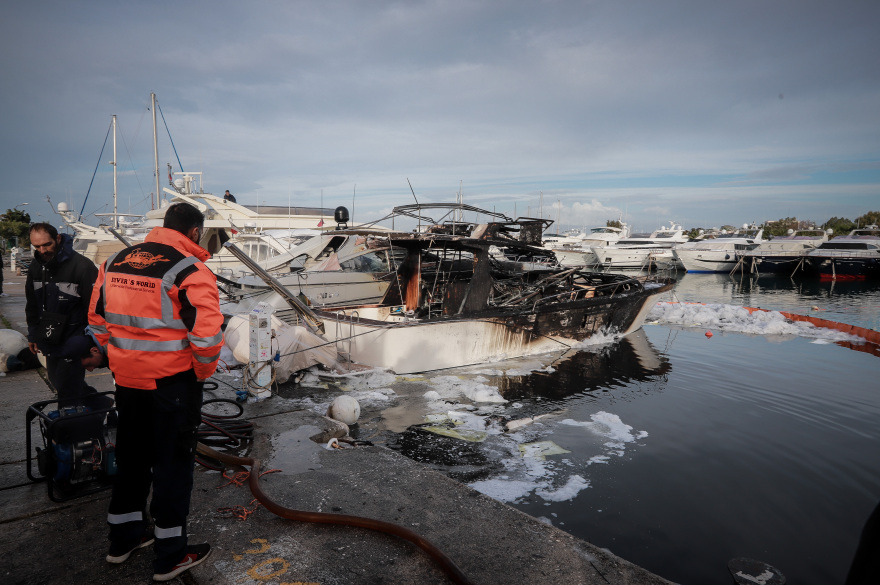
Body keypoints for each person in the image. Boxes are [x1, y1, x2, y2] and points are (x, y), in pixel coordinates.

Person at [89, 202, 223, 581]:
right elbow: (208, 338)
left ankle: (124, 539)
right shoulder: (190, 270)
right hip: (172, 386)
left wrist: (116, 359)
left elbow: (96, 319)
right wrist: (199, 373)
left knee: (131, 458)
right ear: (194, 232)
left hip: (127, 383)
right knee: (172, 467)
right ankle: (170, 555)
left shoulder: (114, 261)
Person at [25, 223, 99, 409]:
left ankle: (68, 430)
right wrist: (33, 334)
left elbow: (96, 309)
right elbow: (32, 304)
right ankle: (100, 404)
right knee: (58, 381)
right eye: (37, 247)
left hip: (75, 339)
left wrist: (95, 344)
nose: (42, 250)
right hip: (49, 337)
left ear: (58, 238)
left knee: (67, 392)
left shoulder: (83, 267)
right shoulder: (36, 266)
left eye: (47, 244)